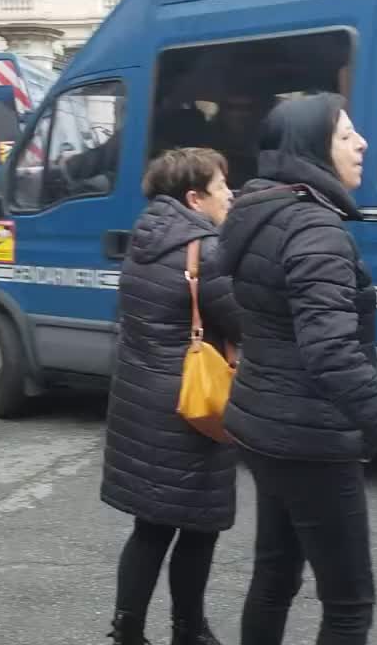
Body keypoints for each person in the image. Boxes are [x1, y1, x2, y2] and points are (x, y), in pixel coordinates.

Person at [218, 93, 377, 645]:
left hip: (262, 423)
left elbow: (254, 313)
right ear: (312, 149)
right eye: (345, 135)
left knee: (274, 576)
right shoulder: (316, 231)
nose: (362, 142)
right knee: (348, 604)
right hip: (310, 438)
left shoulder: (257, 212)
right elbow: (332, 353)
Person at [100, 148, 242, 645]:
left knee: (152, 526)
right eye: (223, 185)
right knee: (198, 528)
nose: (231, 193)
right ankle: (188, 630)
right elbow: (241, 321)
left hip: (141, 403)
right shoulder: (207, 249)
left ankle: (128, 631)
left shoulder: (145, 241)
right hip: (191, 410)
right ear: (193, 197)